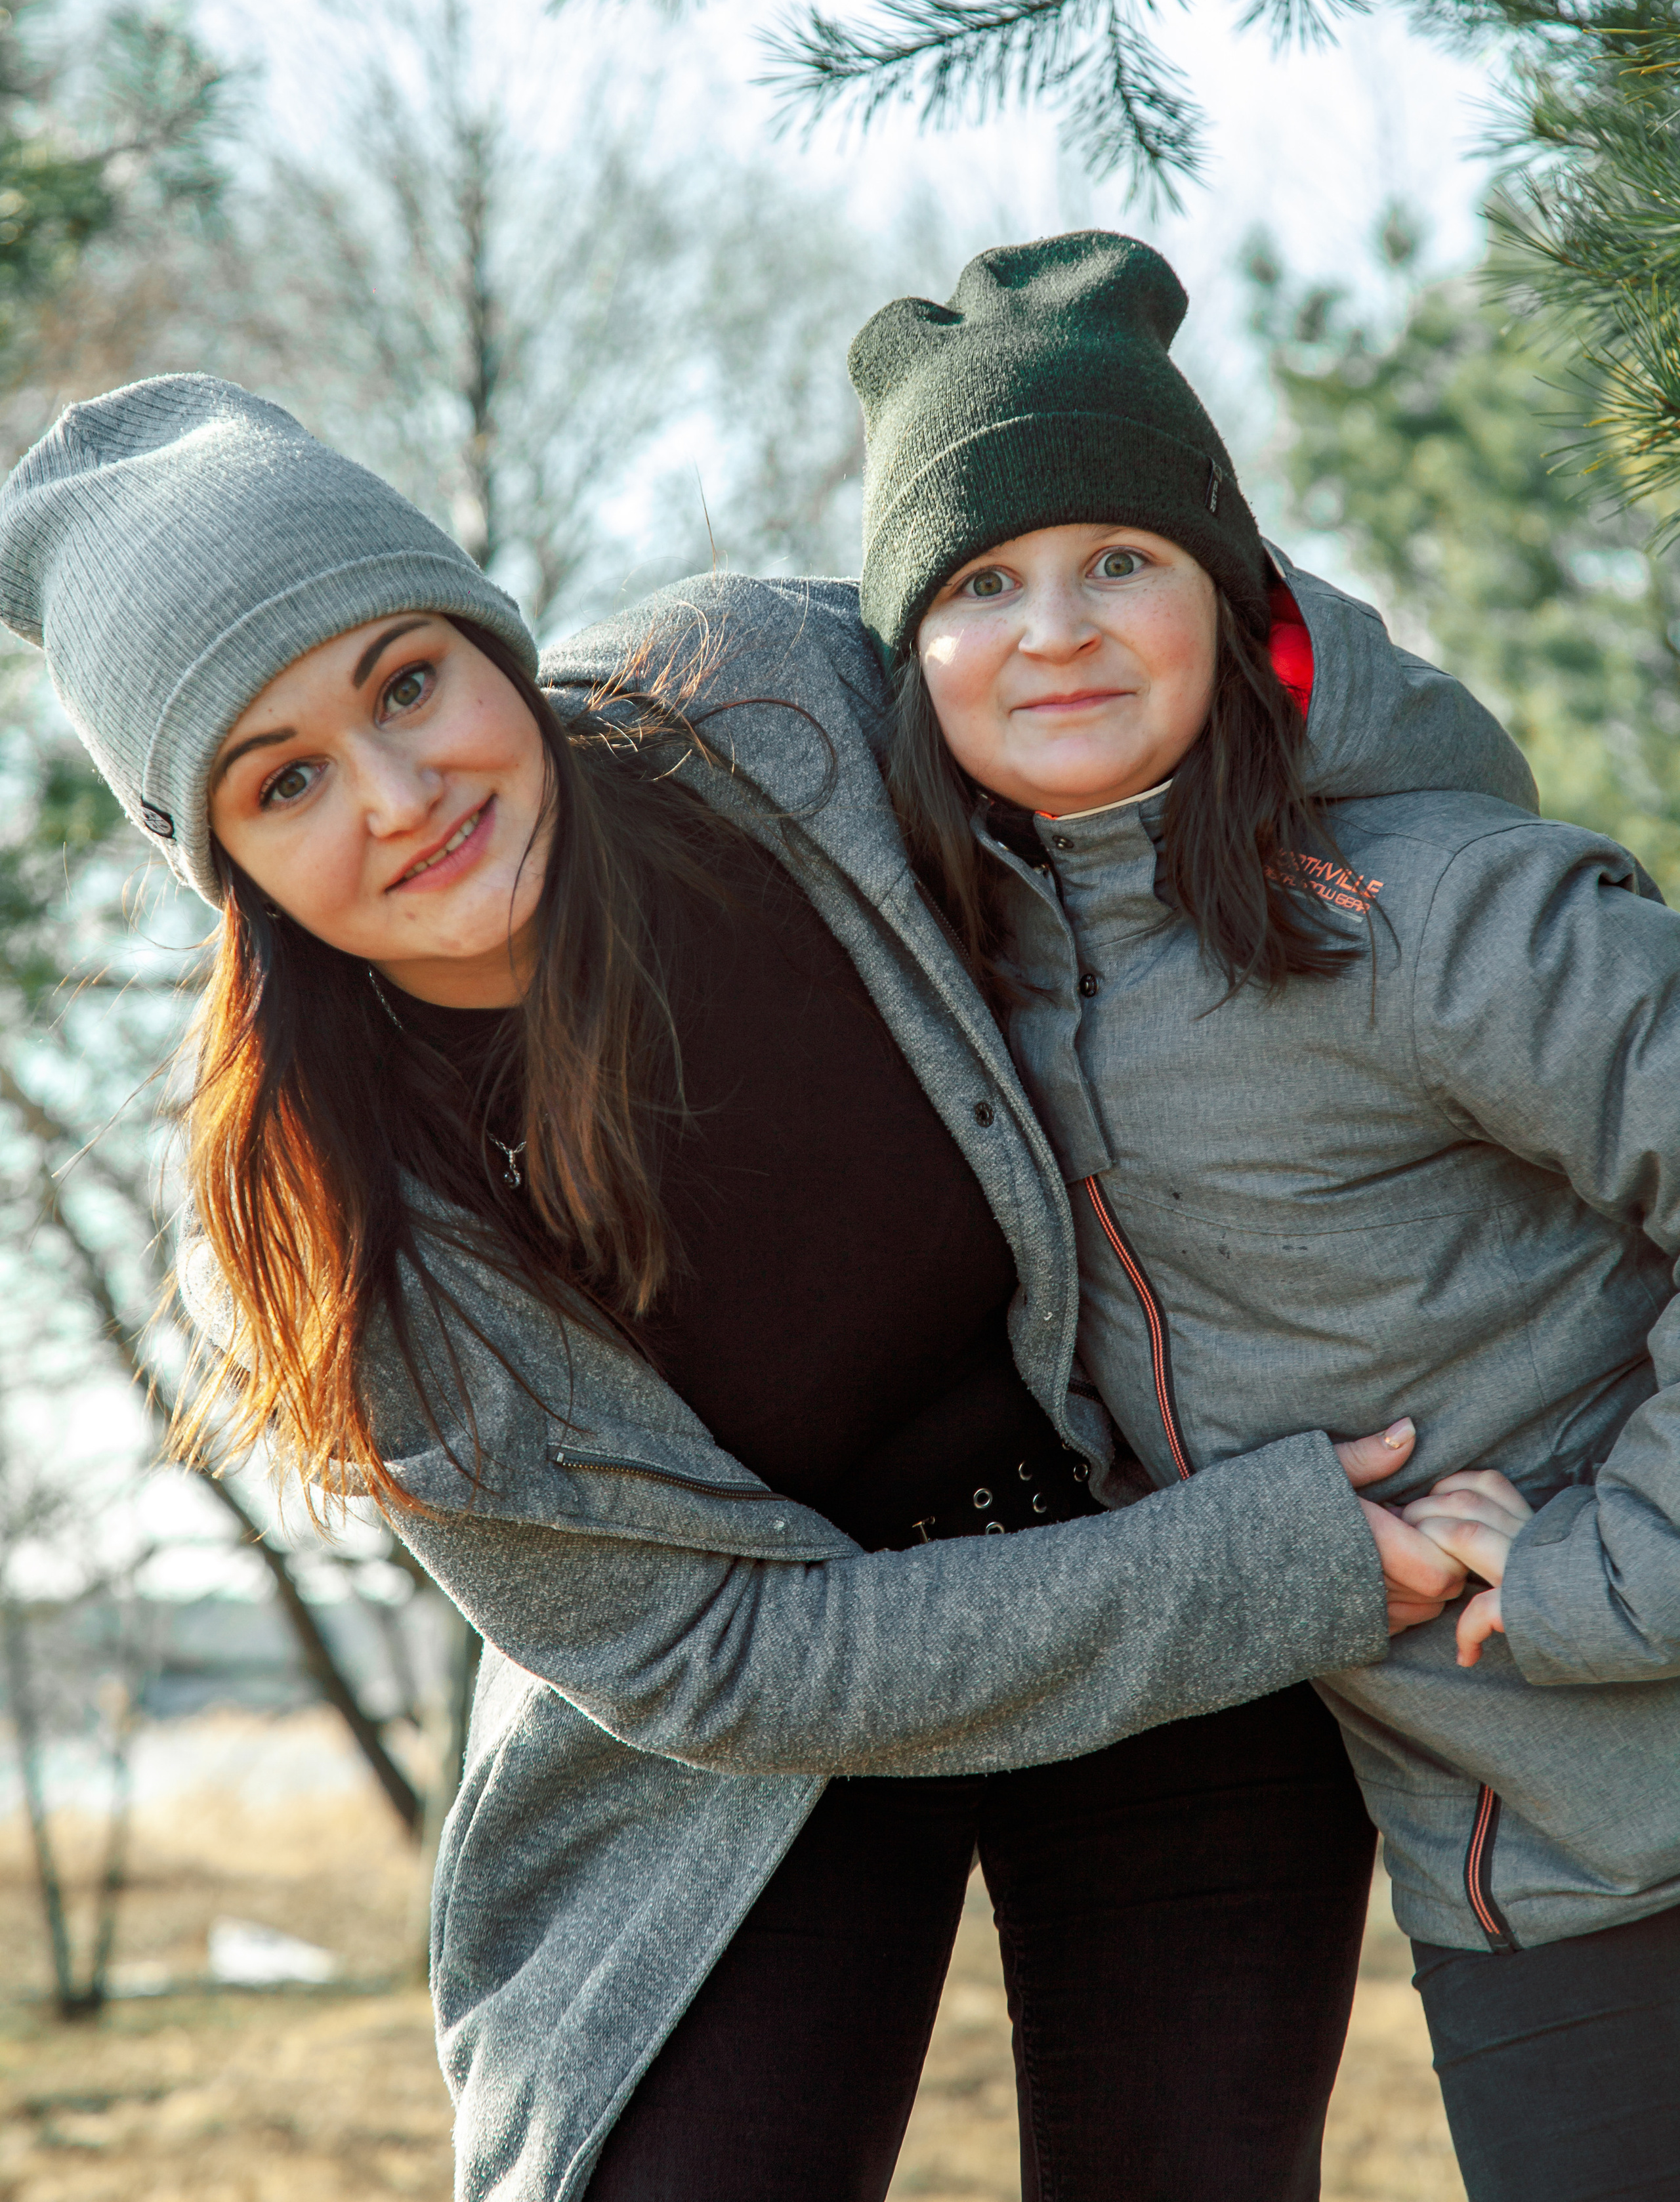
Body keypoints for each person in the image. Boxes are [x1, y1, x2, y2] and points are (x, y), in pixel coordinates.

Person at [0, 373, 1514, 2202]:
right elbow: (715, 1660)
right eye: (288, 778)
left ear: (492, 643)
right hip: (752, 1754)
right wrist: (1270, 1564)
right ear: (217, 859)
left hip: (1176, 1576)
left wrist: (1185, 557)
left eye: (408, 682)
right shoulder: (319, 1237)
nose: (402, 798)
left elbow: (1233, 706)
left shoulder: (765, 709)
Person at [860, 228, 1680, 2202]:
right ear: (912, 656)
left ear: (1234, 605)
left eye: (1120, 559)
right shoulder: (966, 1008)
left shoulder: (1433, 915)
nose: (1054, 626)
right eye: (982, 583)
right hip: (1524, 1889)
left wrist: (1610, 1575)